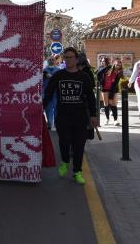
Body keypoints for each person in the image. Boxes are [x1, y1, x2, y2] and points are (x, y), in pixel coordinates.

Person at [44, 47, 98, 185]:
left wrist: (93, 115)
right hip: (63, 116)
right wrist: (42, 107)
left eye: (71, 57)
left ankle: (77, 172)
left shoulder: (83, 77)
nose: (68, 60)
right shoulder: (58, 75)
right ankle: (65, 162)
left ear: (76, 59)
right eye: (66, 57)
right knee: (64, 142)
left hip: (80, 117)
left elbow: (91, 97)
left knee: (79, 145)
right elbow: (49, 93)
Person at [100, 59, 123, 126]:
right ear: (114, 64)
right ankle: (107, 119)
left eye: (119, 65)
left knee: (114, 104)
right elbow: (98, 73)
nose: (118, 66)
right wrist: (101, 83)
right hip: (105, 89)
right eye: (117, 64)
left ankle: (115, 120)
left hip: (114, 89)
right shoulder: (108, 68)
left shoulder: (119, 72)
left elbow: (115, 84)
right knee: (106, 104)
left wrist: (111, 96)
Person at [42, 57, 59, 130]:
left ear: (55, 61)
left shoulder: (58, 70)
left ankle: (56, 123)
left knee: (56, 108)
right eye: (50, 60)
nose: (52, 61)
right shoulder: (44, 71)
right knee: (48, 108)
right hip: (47, 92)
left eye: (53, 60)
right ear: (48, 61)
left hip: (56, 92)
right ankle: (49, 123)